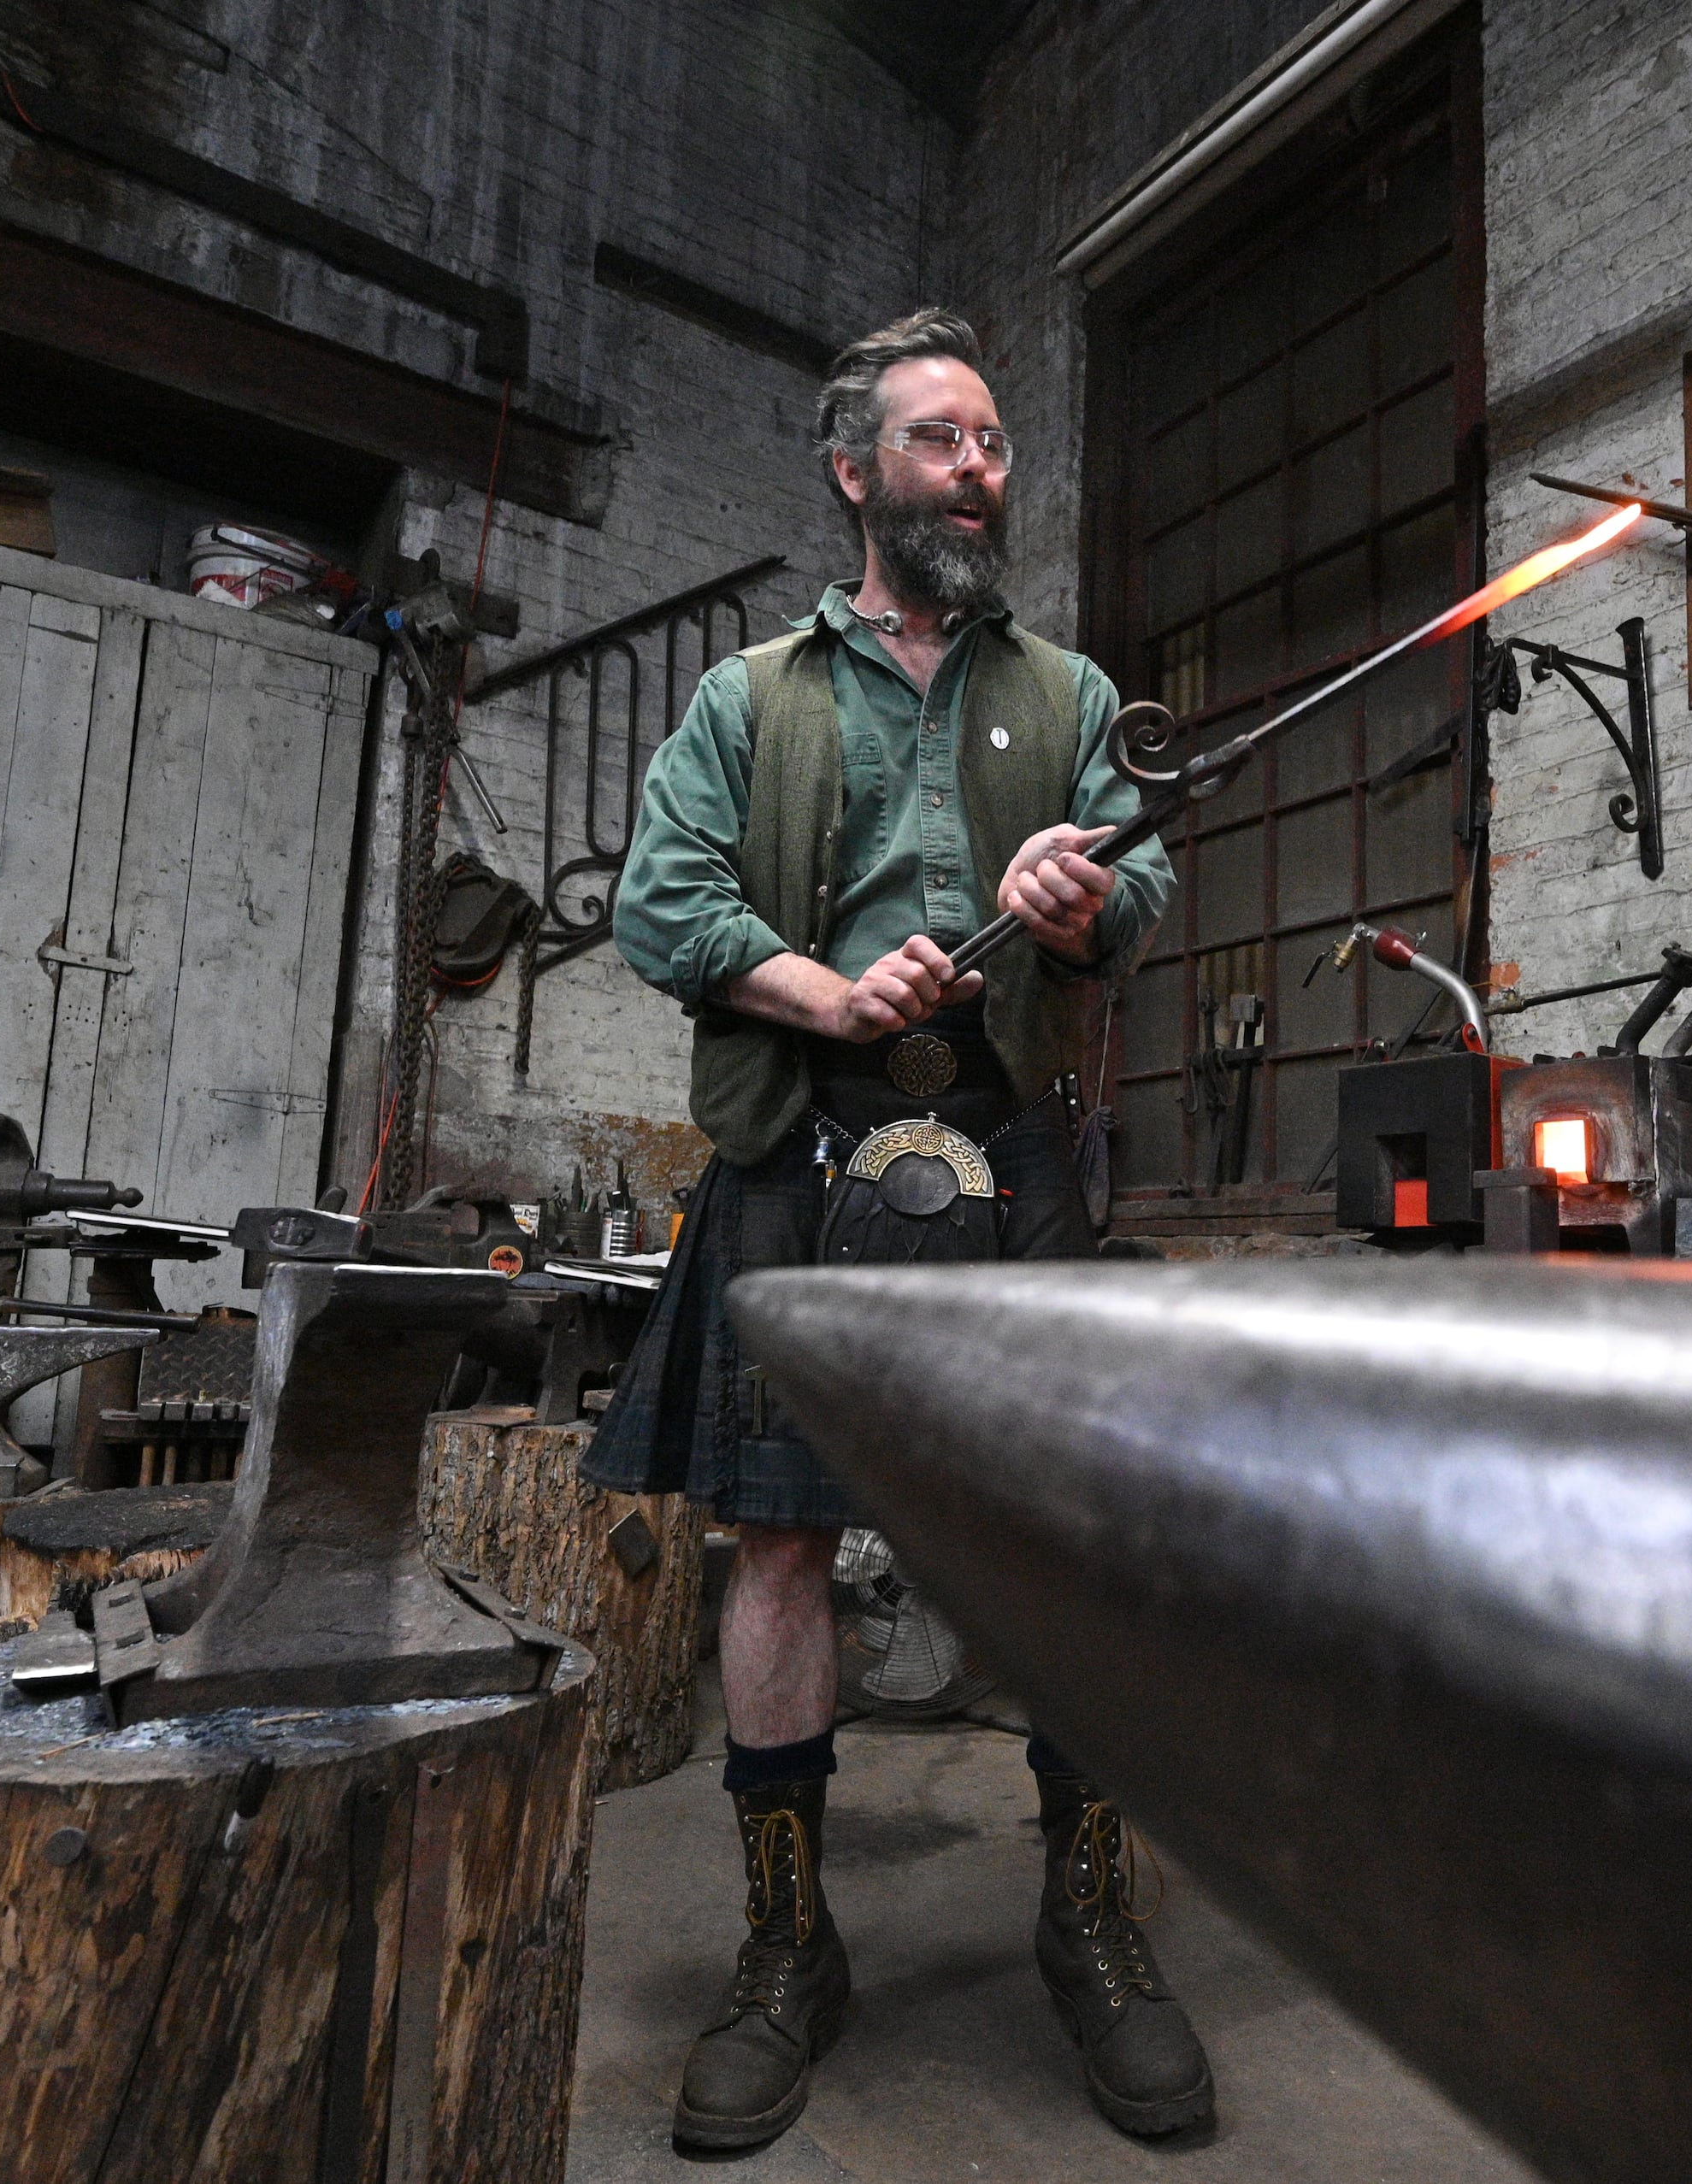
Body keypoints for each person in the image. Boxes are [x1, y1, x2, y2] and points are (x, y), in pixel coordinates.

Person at [582, 307, 1207, 2152]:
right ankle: (789, 1944)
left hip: (1013, 1153)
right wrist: (822, 991)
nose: (978, 470)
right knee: (776, 1549)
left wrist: (1078, 900)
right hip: (808, 1145)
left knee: (1068, 1548)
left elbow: (1148, 876)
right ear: (857, 472)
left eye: (995, 442)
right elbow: (661, 899)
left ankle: (1085, 1912)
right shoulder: (751, 698)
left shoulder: (1074, 697)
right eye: (940, 442)